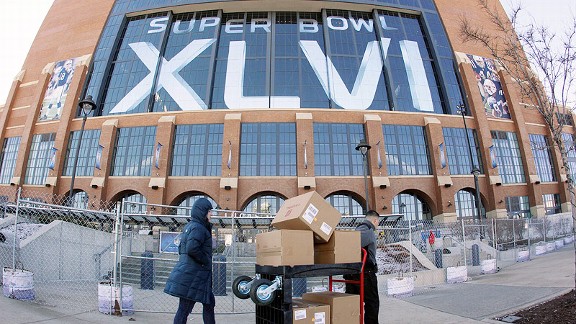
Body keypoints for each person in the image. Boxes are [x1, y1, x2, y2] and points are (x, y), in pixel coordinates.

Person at [164, 198, 215, 324]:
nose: (211, 214)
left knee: (209, 303)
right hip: (194, 276)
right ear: (202, 212)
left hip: (197, 275)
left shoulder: (192, 226)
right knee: (184, 308)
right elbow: (192, 249)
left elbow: (181, 248)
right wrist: (206, 261)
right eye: (209, 211)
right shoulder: (198, 228)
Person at [344, 209, 380, 324]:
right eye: (378, 222)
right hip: (365, 274)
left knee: (353, 303)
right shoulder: (367, 230)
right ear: (374, 220)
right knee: (372, 304)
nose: (378, 224)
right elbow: (351, 244)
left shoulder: (358, 229)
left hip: (353, 272)